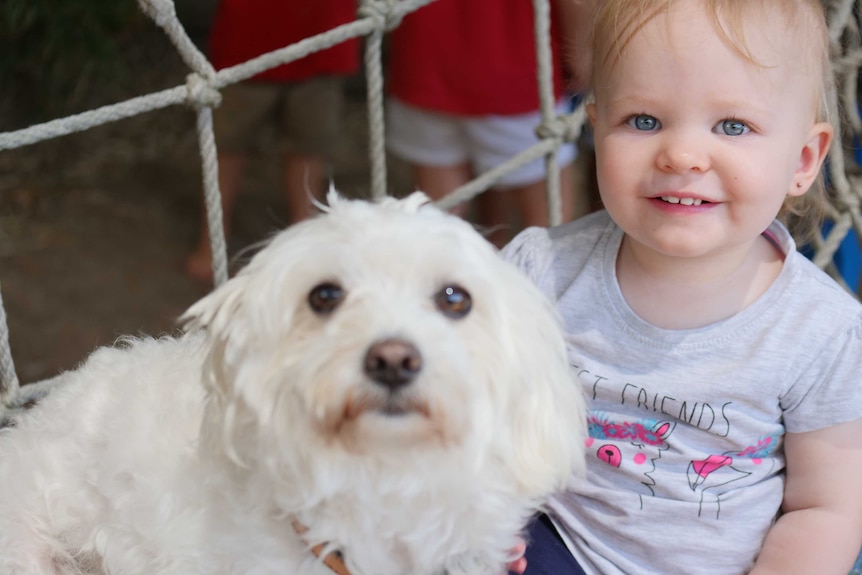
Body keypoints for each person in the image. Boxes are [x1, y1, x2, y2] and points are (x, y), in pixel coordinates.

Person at [503, 0, 862, 574]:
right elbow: (477, 413)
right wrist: (487, 515)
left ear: (803, 158)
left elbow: (826, 507)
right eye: (643, 121)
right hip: (558, 544)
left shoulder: (821, 331)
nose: (683, 155)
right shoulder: (539, 271)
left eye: (733, 126)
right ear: (597, 130)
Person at [385, 0, 591, 247]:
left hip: (424, 60)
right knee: (552, 233)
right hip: (516, 72)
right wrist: (584, 57)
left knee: (437, 225)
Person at [185, 1, 360, 283]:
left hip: (322, 42)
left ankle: (307, 246)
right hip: (246, 44)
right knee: (227, 147)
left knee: (309, 149)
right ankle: (211, 242)